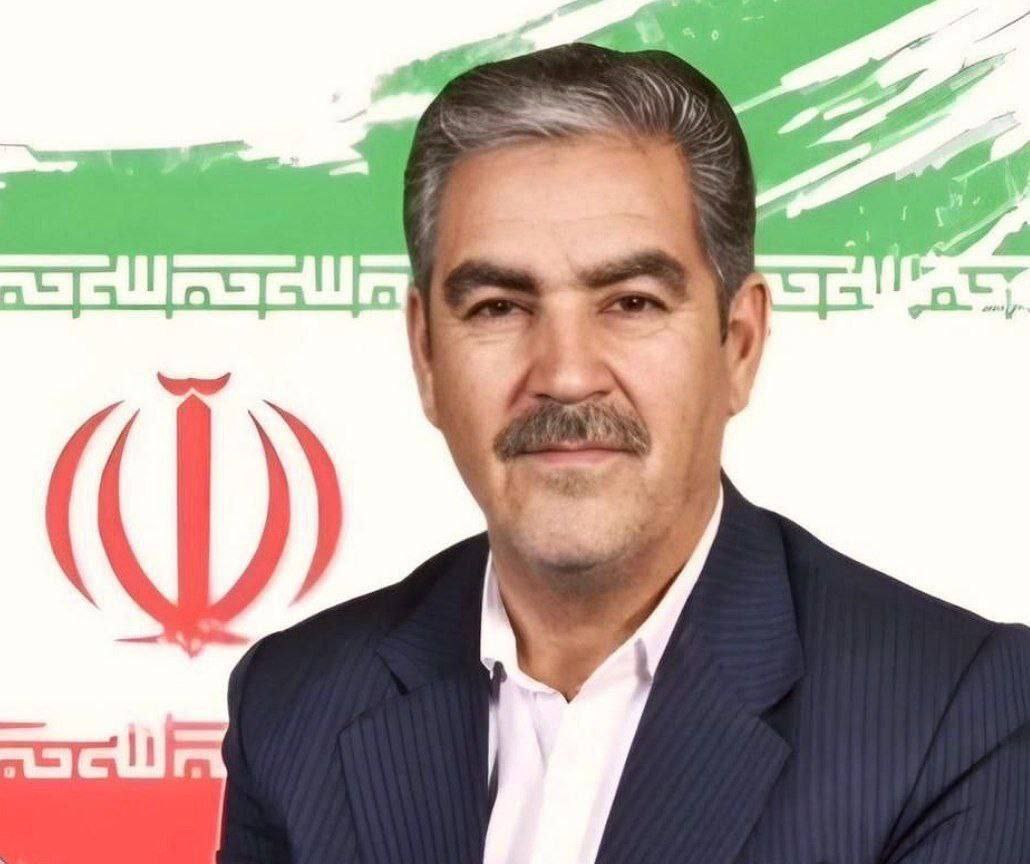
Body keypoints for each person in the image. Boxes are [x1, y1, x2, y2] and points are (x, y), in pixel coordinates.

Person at [216, 43, 1030, 864]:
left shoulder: (955, 716)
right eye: (499, 307)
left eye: (632, 303)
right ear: (426, 354)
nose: (566, 375)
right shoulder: (294, 704)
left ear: (738, 344)